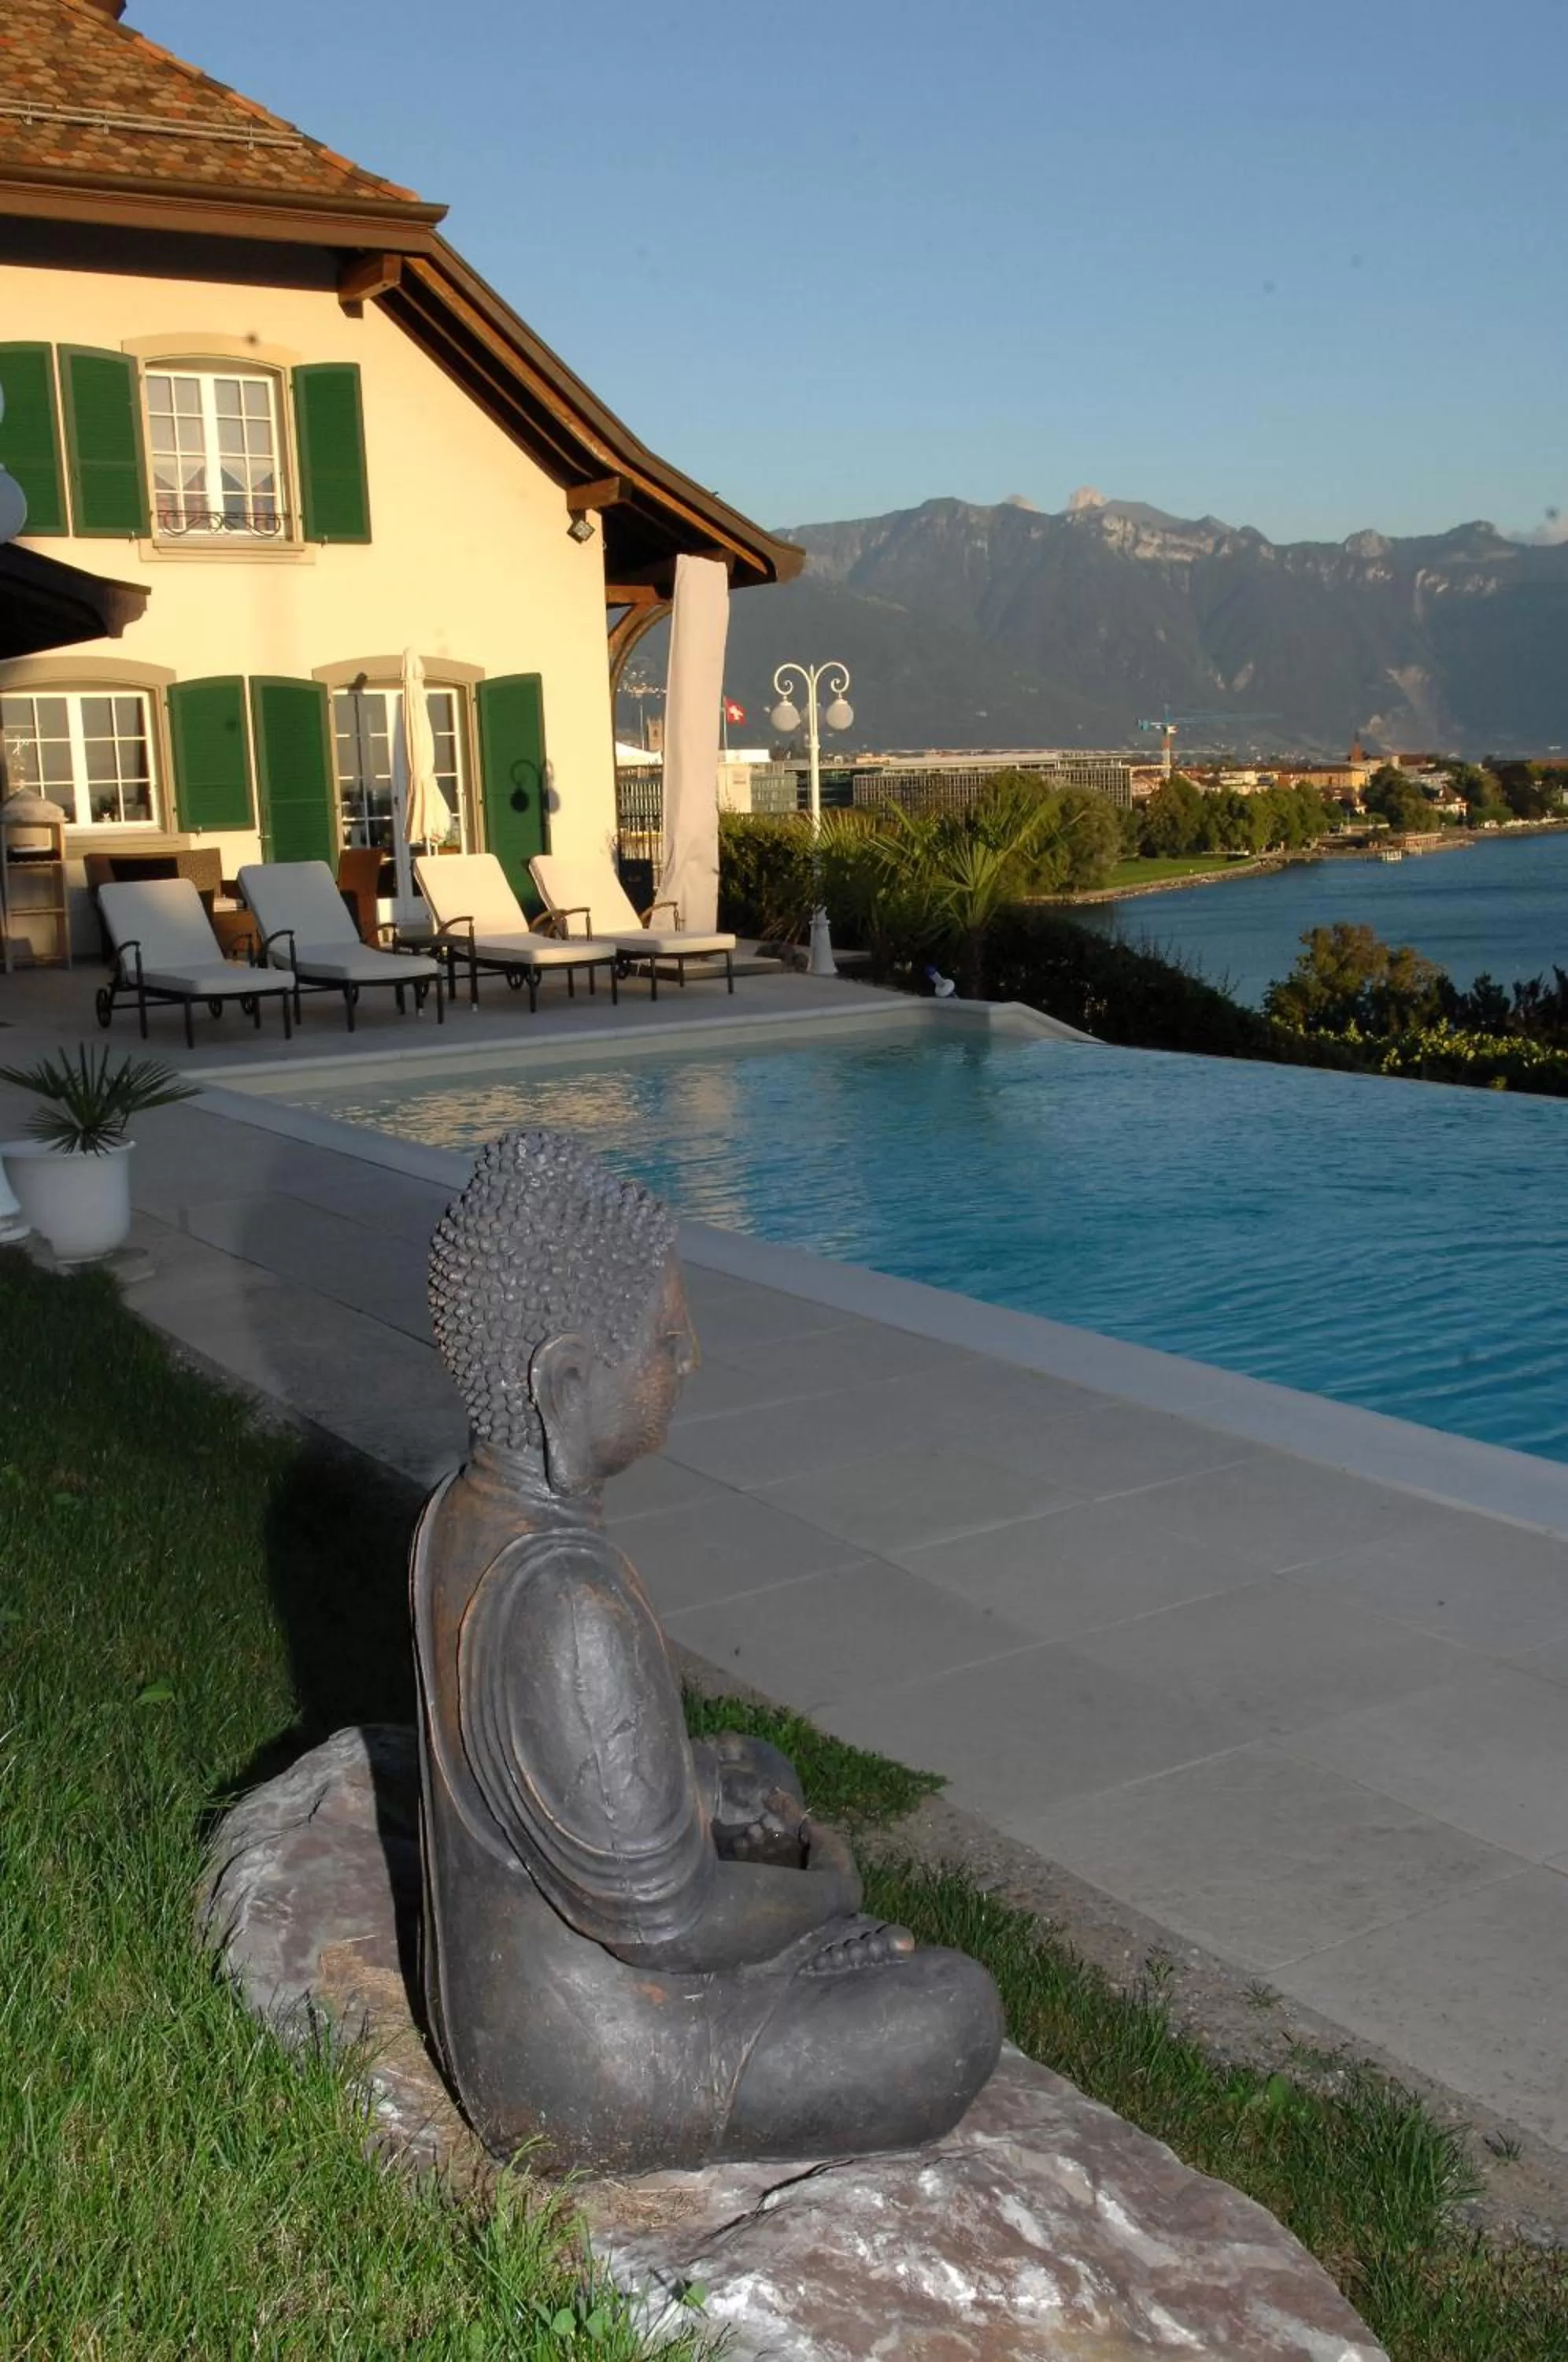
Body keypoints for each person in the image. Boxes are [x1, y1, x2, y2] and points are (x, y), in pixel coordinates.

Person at [412, 1129, 1002, 2171]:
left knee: (752, 1774)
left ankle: (772, 1928)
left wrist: (690, 1790)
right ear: (567, 1382)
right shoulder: (565, 1602)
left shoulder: (462, 1516)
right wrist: (826, 1891)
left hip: (538, 1992)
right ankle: (783, 1979)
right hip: (591, 2067)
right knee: (950, 2010)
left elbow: (551, 1782)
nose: (690, 1362)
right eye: (664, 1344)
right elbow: (667, 1928)